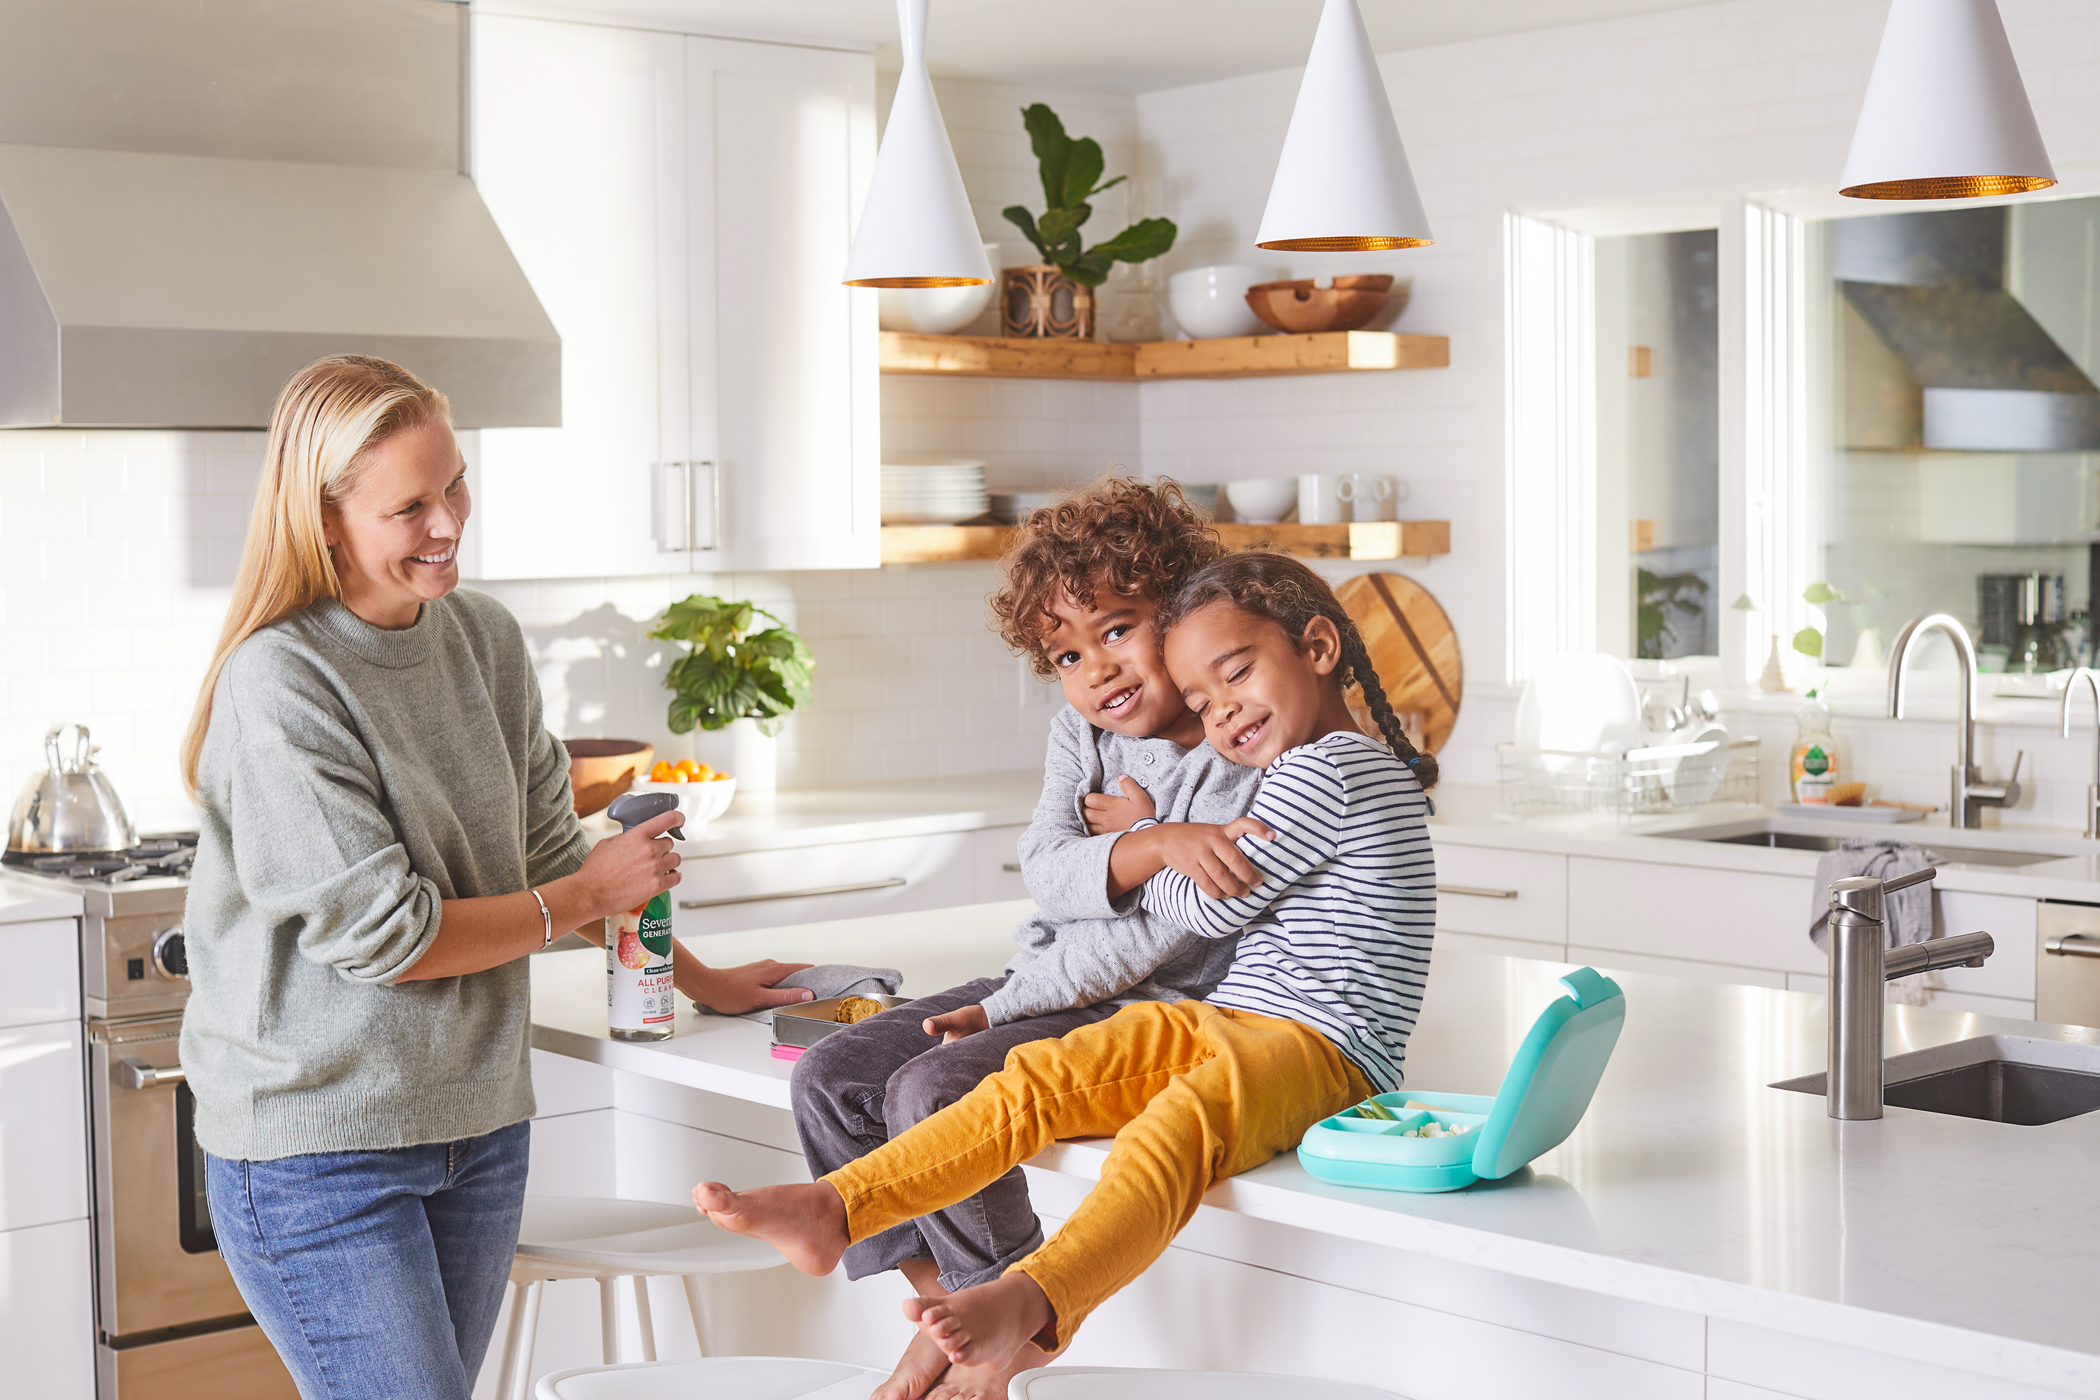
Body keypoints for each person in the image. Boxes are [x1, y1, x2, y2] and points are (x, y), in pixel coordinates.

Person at [178, 354, 813, 1400]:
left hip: (475, 1129)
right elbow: (393, 937)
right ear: (326, 519)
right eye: (411, 505)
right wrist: (587, 895)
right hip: (320, 1150)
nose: (448, 523)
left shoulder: (483, 639)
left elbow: (553, 849)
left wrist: (702, 978)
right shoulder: (282, 680)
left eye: (455, 485)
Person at [691, 551, 1438, 1374]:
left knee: (1169, 1135)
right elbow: (1061, 871)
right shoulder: (1283, 763)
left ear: (1320, 647)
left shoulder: (1324, 769)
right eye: (1203, 698)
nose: (1222, 713)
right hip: (1233, 1017)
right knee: (1036, 1080)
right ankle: (838, 1207)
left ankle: (1030, 1300)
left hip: (1325, 1046)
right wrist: (1156, 845)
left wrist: (1133, 848)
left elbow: (1210, 905)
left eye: (1235, 676)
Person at [790, 477, 1263, 1400]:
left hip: (1148, 1012)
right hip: (1046, 978)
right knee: (831, 1077)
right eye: (1067, 653)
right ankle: (955, 1313)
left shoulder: (1232, 746)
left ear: (1184, 612)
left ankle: (1002, 1330)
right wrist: (1148, 842)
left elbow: (1149, 946)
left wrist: (1110, 865)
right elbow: (1044, 869)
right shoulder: (1077, 732)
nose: (1099, 670)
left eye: (1119, 628)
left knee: (931, 1087)